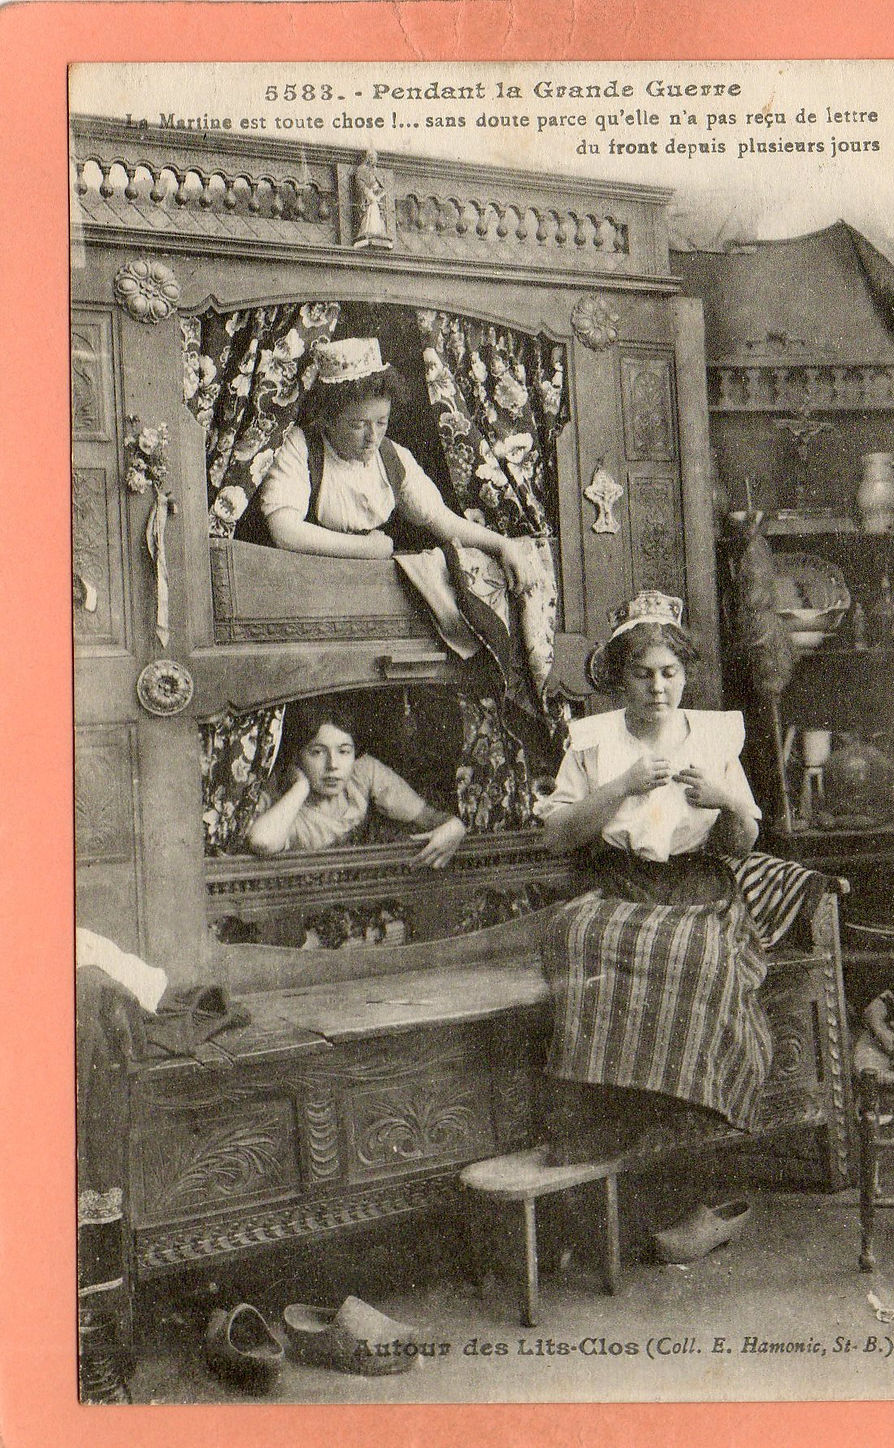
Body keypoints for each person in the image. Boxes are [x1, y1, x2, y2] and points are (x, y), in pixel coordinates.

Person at [534, 590, 771, 1258]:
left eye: (669, 672)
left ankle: (676, 1152)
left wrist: (725, 800)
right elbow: (557, 837)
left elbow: (743, 842)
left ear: (684, 674)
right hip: (619, 884)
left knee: (697, 958)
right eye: (643, 674)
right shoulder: (593, 742)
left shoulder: (714, 738)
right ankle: (606, 1147)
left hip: (696, 887)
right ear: (621, 678)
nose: (658, 687)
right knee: (580, 938)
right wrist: (622, 786)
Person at [258, 336, 535, 591]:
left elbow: (440, 519)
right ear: (328, 418)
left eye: (381, 422)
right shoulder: (300, 446)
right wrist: (367, 549)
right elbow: (284, 531)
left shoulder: (392, 456)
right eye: (358, 425)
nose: (373, 437)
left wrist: (502, 545)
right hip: (307, 588)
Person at [246, 702, 467, 869]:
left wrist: (455, 826)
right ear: (296, 756)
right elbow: (262, 841)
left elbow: (428, 817)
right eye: (317, 752)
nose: (333, 765)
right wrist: (300, 788)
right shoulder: (280, 795)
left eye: (344, 751)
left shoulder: (362, 771)